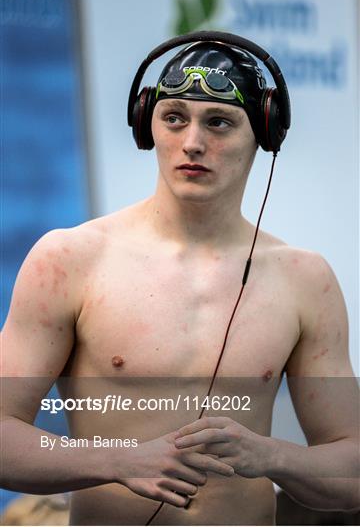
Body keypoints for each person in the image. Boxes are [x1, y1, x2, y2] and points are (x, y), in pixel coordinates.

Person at [1, 32, 358, 526]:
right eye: (174, 118)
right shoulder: (71, 259)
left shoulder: (304, 279)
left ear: (266, 133)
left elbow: (352, 477)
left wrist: (271, 457)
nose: (192, 142)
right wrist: (119, 459)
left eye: (219, 122)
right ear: (147, 124)